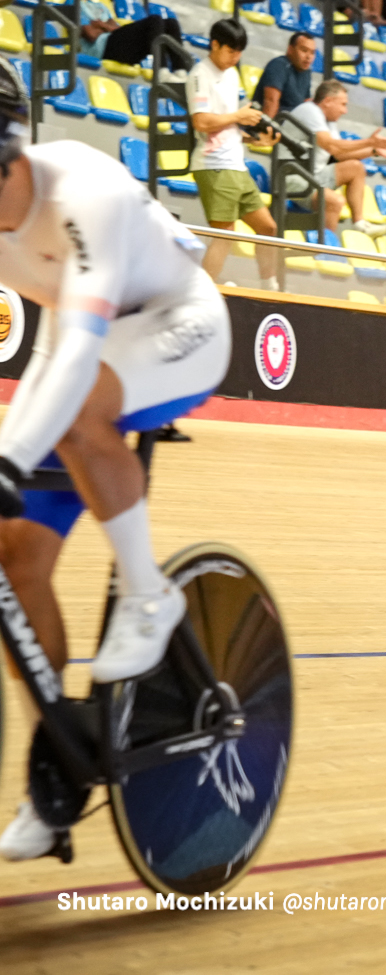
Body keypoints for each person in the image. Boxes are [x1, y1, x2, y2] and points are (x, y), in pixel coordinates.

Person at [0, 66, 233, 862]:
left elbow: (76, 364)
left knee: (74, 413)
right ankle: (53, 777)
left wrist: (10, 458)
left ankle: (149, 594)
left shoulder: (84, 189)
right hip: (78, 345)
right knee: (17, 558)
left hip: (181, 324)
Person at [186, 18, 280, 284]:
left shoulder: (232, 74)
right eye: (230, 51)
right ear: (214, 45)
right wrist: (238, 115)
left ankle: (269, 287)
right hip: (214, 165)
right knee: (225, 234)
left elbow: (230, 123)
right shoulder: (199, 75)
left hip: (236, 164)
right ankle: (206, 291)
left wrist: (254, 140)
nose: (234, 58)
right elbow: (201, 121)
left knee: (267, 227)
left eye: (239, 53)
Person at [280, 80, 386, 236]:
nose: (345, 111)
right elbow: (331, 146)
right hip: (291, 176)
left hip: (312, 176)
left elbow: (339, 154)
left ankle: (360, 224)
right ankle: (324, 250)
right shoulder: (309, 111)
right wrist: (369, 141)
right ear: (328, 101)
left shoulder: (328, 120)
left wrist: (374, 151)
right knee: (335, 202)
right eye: (343, 104)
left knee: (355, 167)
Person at [254, 32, 316, 119]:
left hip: (291, 126)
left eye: (312, 52)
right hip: (271, 124)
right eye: (304, 50)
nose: (308, 57)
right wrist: (266, 129)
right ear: (290, 49)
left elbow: (305, 103)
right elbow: (271, 101)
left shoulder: (307, 72)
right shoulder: (278, 65)